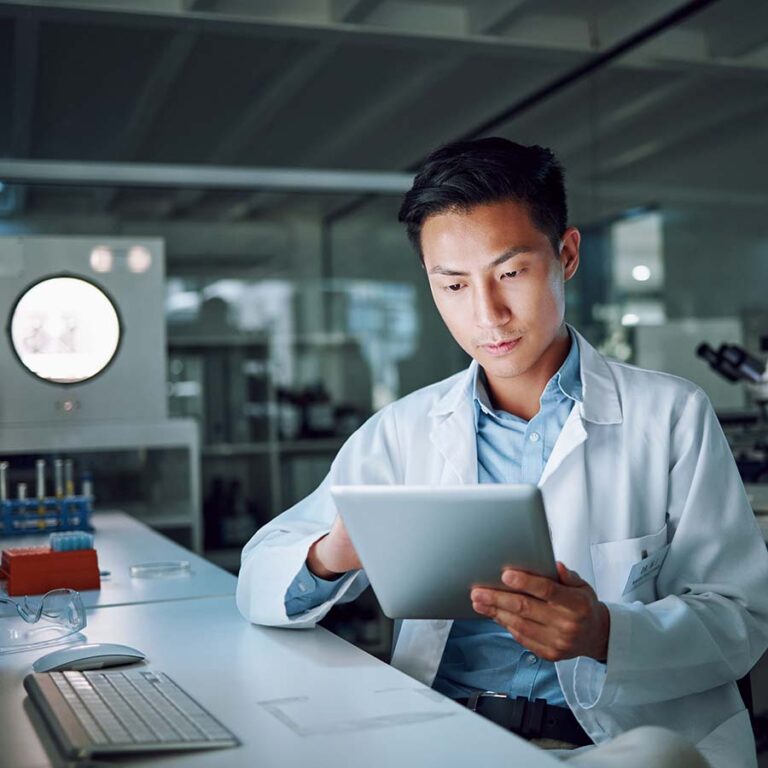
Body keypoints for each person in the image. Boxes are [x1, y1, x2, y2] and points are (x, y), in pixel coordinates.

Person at [237, 137, 768, 767]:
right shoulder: (401, 432)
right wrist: (333, 554)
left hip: (613, 739)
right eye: (453, 285)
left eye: (510, 273)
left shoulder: (671, 415)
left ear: (565, 255)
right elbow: (258, 580)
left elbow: (741, 617)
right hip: (449, 736)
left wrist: (606, 633)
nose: (486, 315)